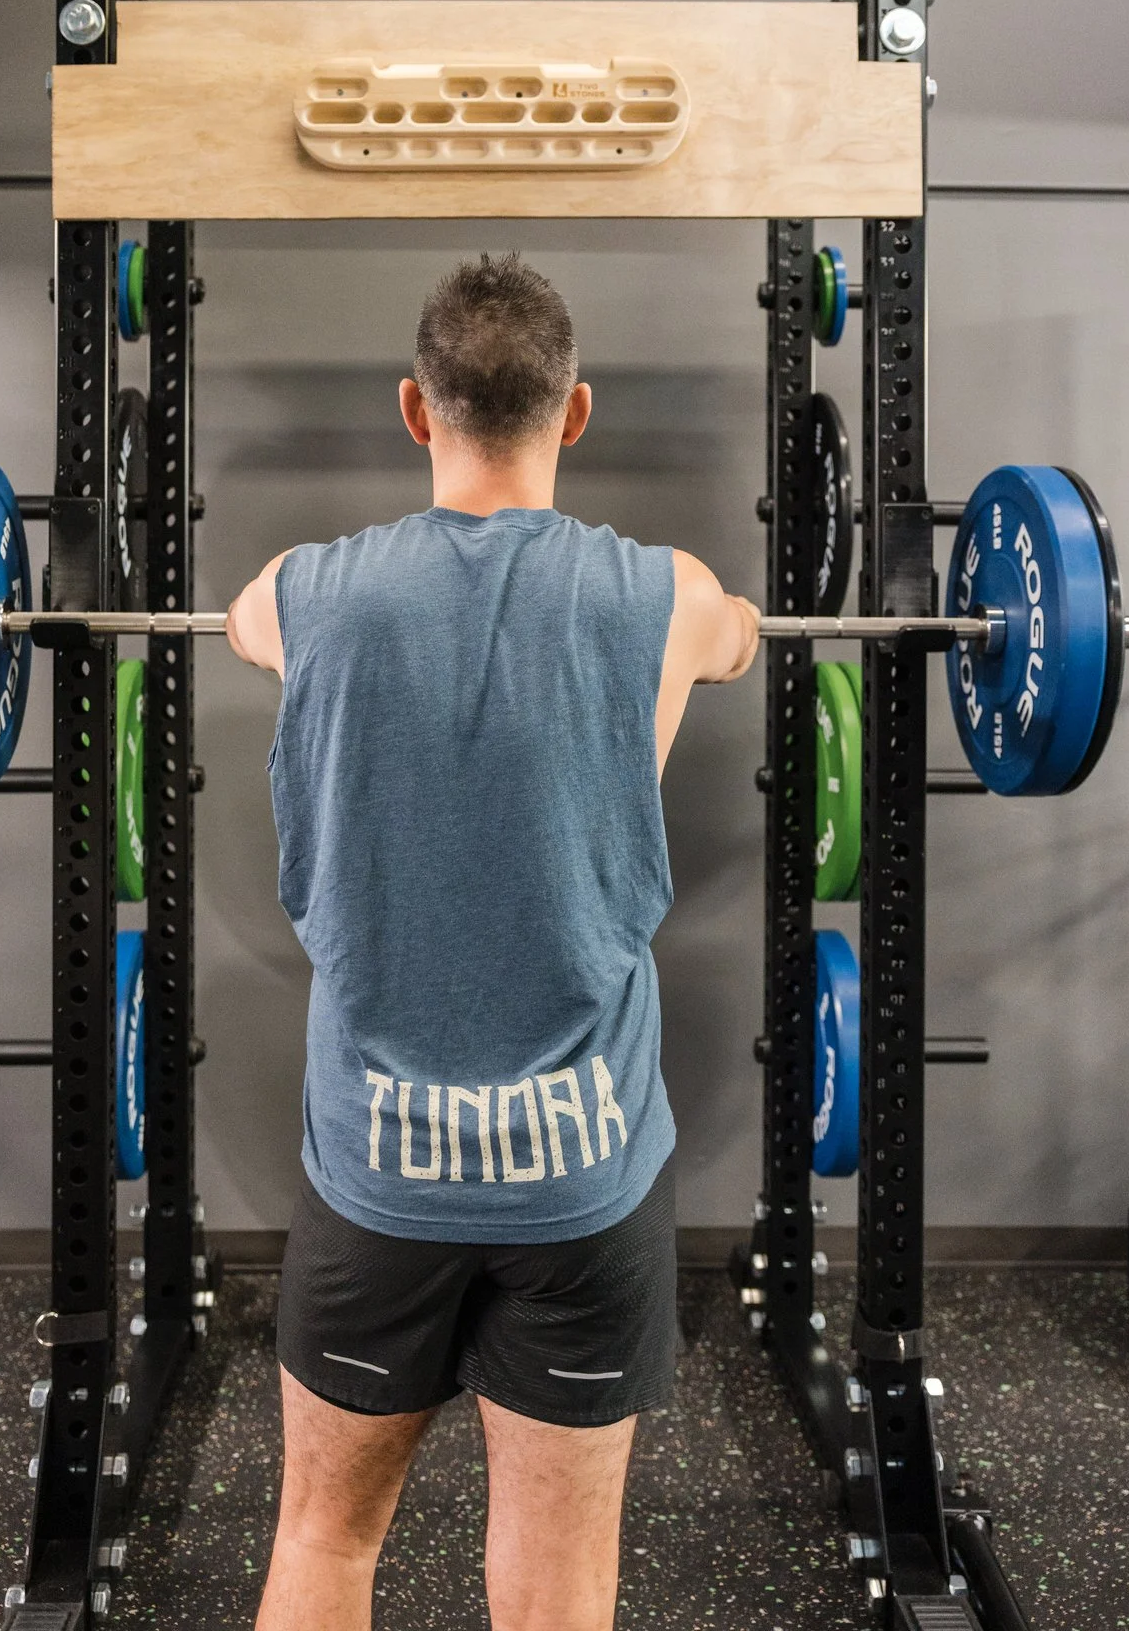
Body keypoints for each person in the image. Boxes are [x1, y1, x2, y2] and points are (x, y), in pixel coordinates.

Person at [226, 252, 761, 1631]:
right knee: (558, 1581)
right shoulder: (667, 597)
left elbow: (241, 624)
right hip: (580, 1184)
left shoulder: (309, 593)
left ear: (417, 409)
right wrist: (736, 631)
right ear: (575, 415)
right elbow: (743, 639)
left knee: (326, 1545)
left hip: (375, 1179)